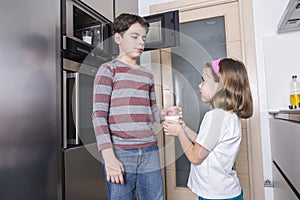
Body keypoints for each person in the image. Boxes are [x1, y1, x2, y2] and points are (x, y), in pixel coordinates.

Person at [92, 13, 179, 200]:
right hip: (120, 153)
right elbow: (99, 115)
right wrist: (109, 157)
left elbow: (152, 111)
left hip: (150, 152)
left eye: (143, 38)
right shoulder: (108, 70)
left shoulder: (146, 74)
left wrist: (165, 113)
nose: (141, 42)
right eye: (135, 36)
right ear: (118, 38)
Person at [163, 58, 253, 200]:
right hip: (223, 192)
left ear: (220, 86)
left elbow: (195, 156)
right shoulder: (227, 115)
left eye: (204, 81)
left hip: (215, 195)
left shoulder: (215, 117)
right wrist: (184, 128)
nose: (199, 85)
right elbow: (205, 144)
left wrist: (179, 132)